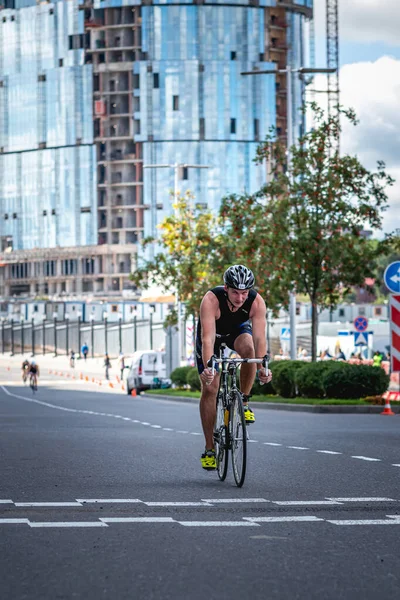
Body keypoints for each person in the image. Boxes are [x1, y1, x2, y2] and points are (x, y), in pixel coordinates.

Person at [196, 265, 272, 470]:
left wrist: (264, 366)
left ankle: (244, 402)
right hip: (213, 335)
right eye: (235, 293)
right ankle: (210, 449)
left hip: (237, 332)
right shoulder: (211, 300)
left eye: (244, 293)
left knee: (249, 349)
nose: (240, 298)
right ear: (226, 288)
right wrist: (210, 367)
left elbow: (259, 338)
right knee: (210, 388)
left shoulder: (256, 302)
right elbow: (208, 338)